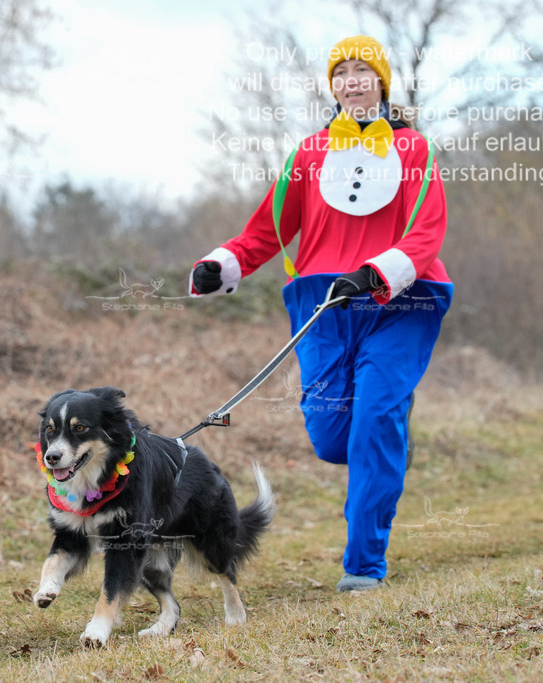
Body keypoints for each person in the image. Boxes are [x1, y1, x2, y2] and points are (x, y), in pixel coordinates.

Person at [188, 35, 452, 592]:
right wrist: (225, 263)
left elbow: (427, 231)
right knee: (335, 438)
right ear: (332, 86)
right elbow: (268, 228)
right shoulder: (308, 153)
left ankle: (363, 565)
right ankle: (385, 431)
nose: (352, 80)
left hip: (401, 301)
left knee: (374, 421)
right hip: (325, 305)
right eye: (342, 72)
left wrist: (379, 271)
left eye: (363, 70)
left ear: (381, 81)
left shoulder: (414, 150)